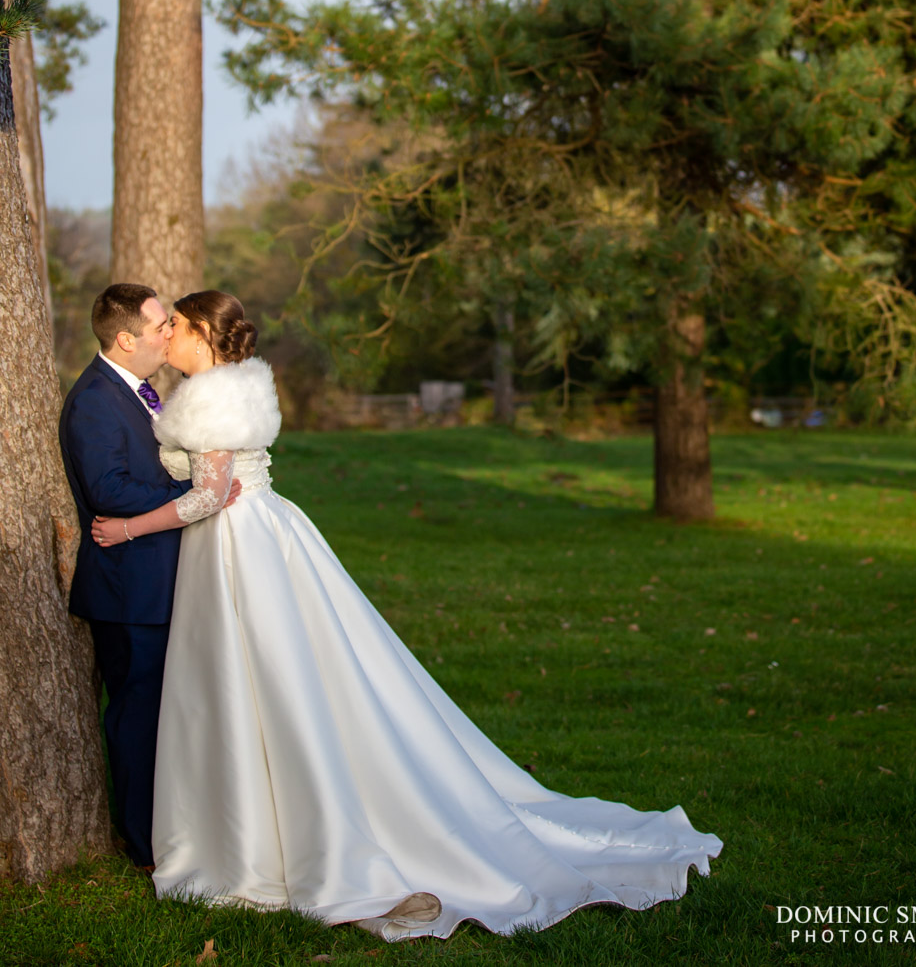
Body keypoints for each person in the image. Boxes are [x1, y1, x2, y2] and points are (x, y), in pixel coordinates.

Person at [92, 289, 722, 940]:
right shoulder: (234, 385)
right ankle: (252, 814)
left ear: (203, 334)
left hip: (234, 544)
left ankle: (266, 832)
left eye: (179, 328)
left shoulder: (215, 397)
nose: (170, 338)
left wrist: (129, 529)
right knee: (258, 680)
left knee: (253, 678)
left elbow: (213, 494)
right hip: (257, 532)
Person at [59, 283, 240, 867]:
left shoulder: (142, 392)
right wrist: (191, 493)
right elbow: (107, 489)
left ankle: (174, 826)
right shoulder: (93, 399)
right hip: (128, 589)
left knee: (169, 711)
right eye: (161, 326)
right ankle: (143, 844)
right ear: (125, 337)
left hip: (162, 580)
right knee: (138, 717)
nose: (169, 334)